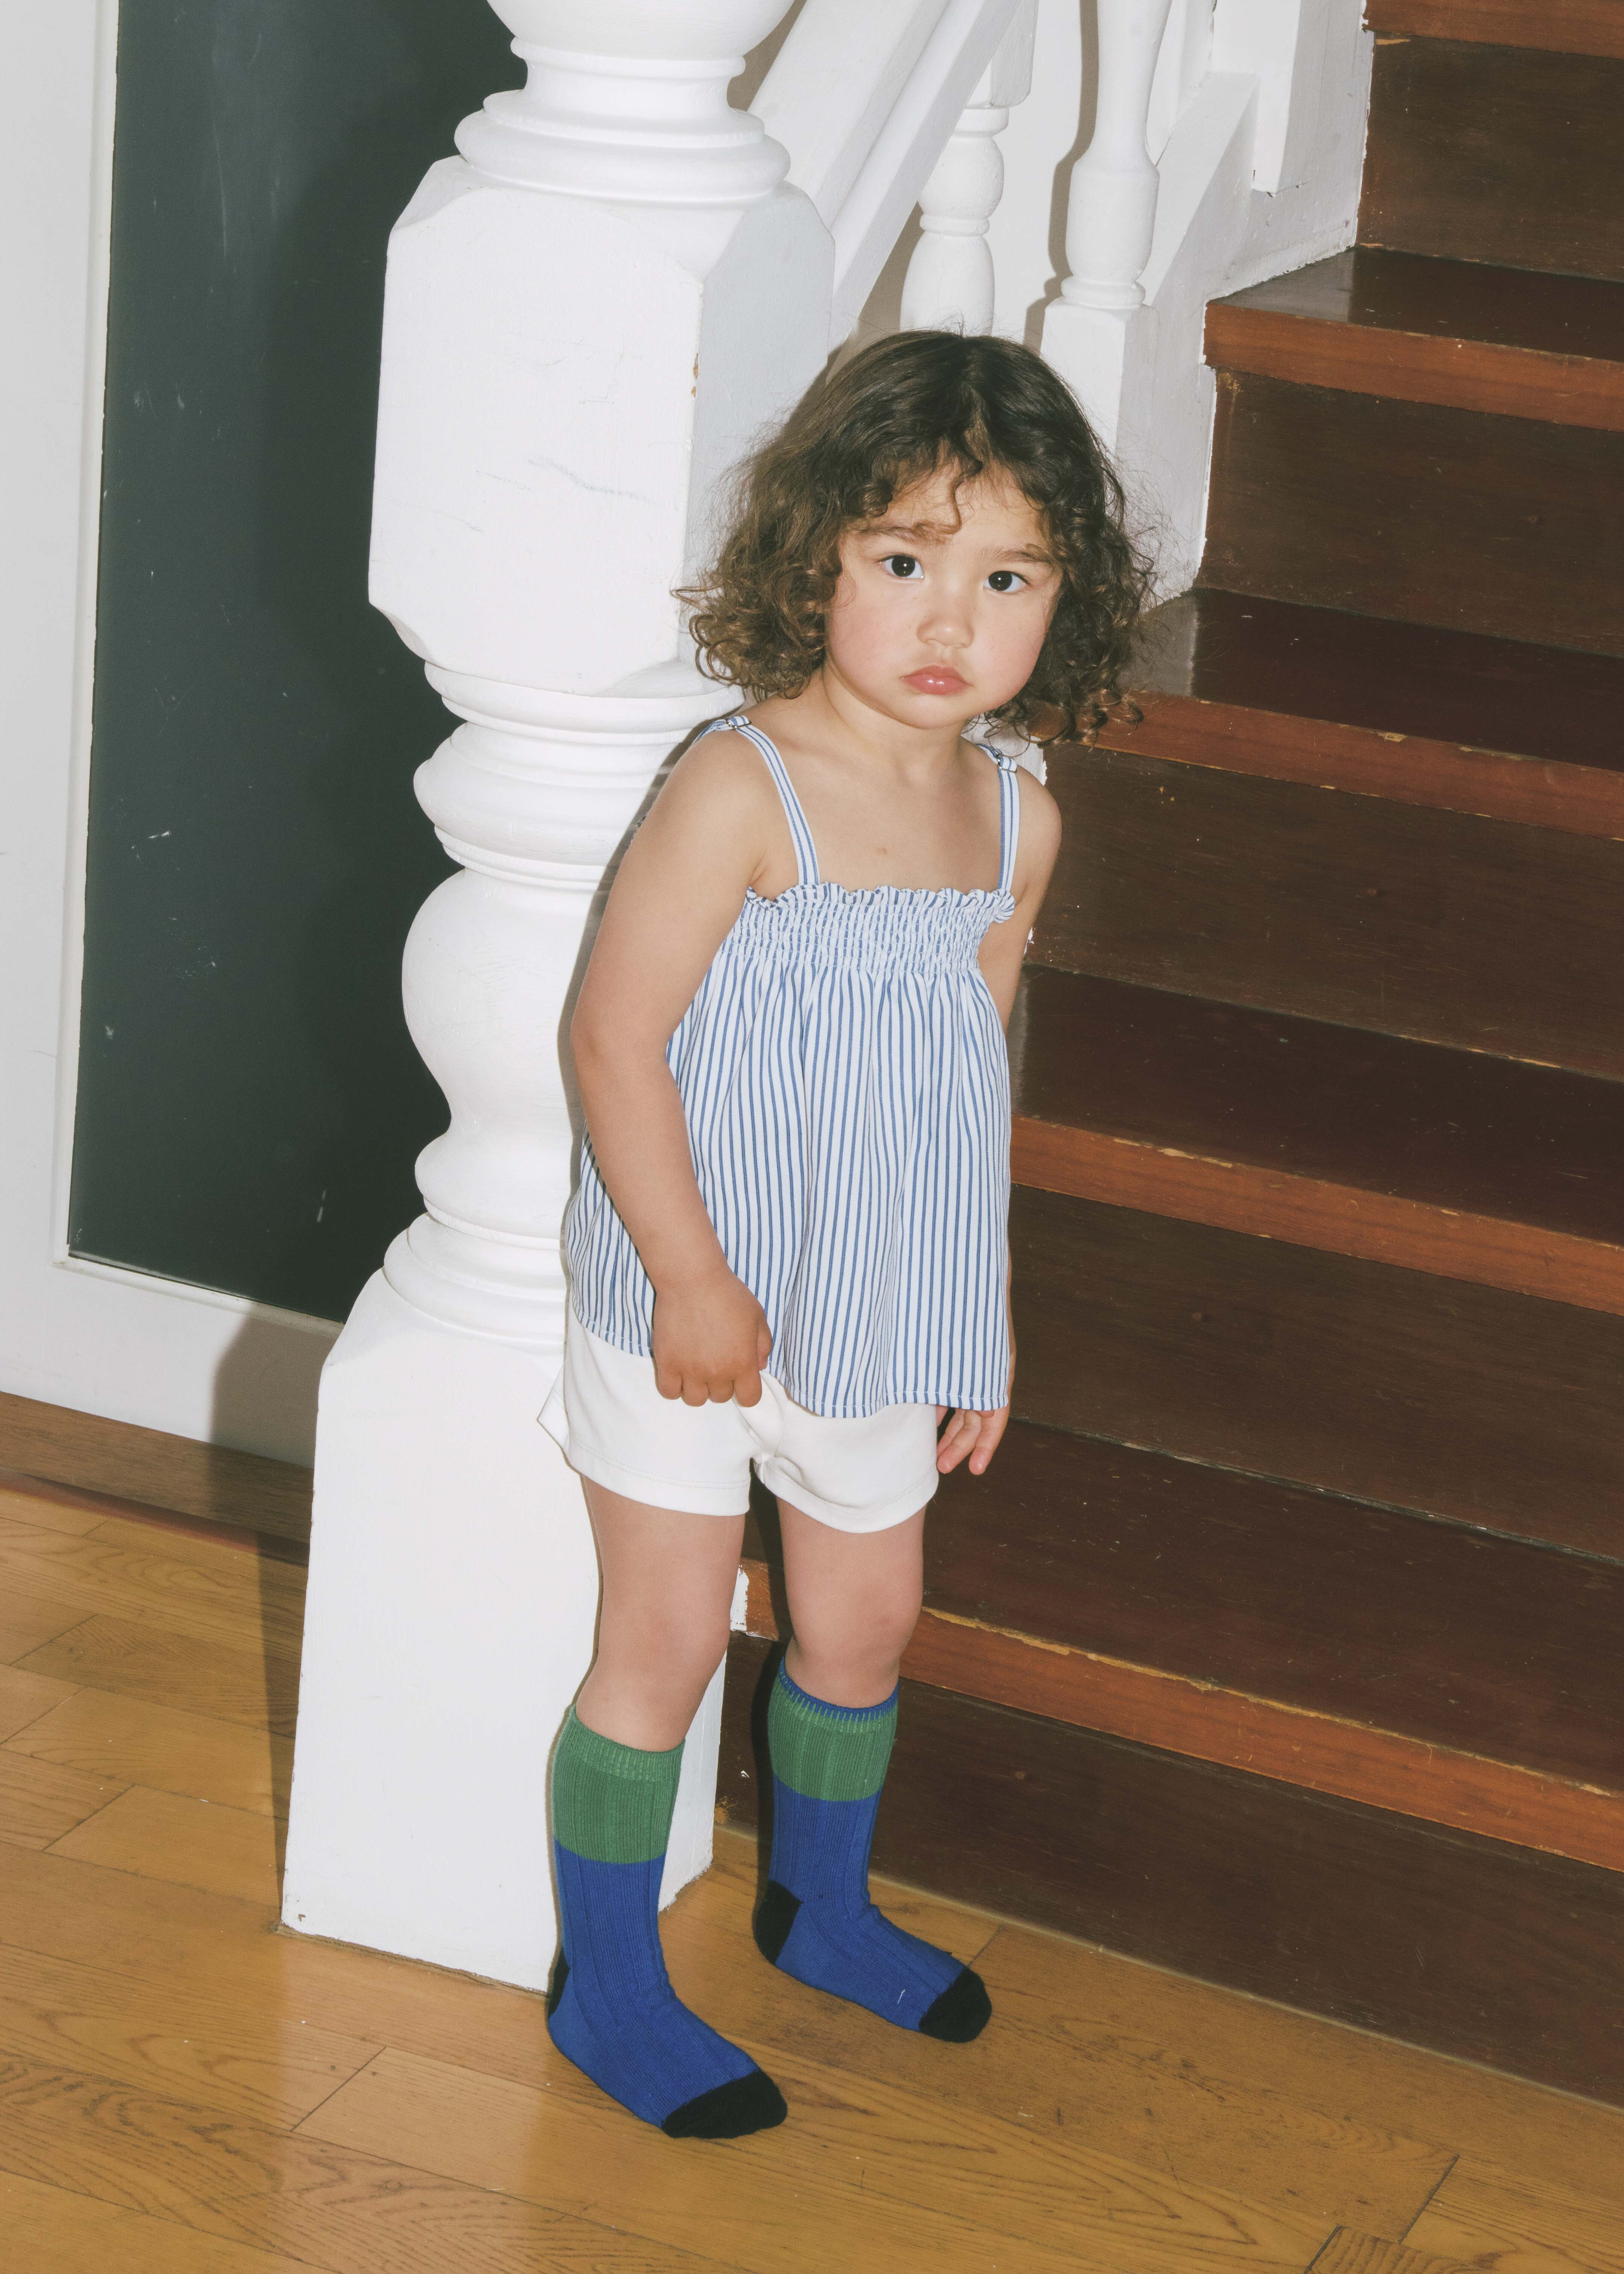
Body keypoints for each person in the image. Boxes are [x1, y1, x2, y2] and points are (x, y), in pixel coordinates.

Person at [538, 329, 1147, 2138]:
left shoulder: (1018, 818)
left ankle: (818, 1904)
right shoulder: (743, 786)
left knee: (866, 1620)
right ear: (817, 556)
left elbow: (967, 1072)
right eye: (906, 558)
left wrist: (982, 1310)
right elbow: (612, 1037)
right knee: (663, 1639)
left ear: (1065, 601)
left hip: (879, 1299)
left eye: (1010, 576)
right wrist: (691, 1275)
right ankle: (608, 1980)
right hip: (687, 1296)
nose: (953, 616)